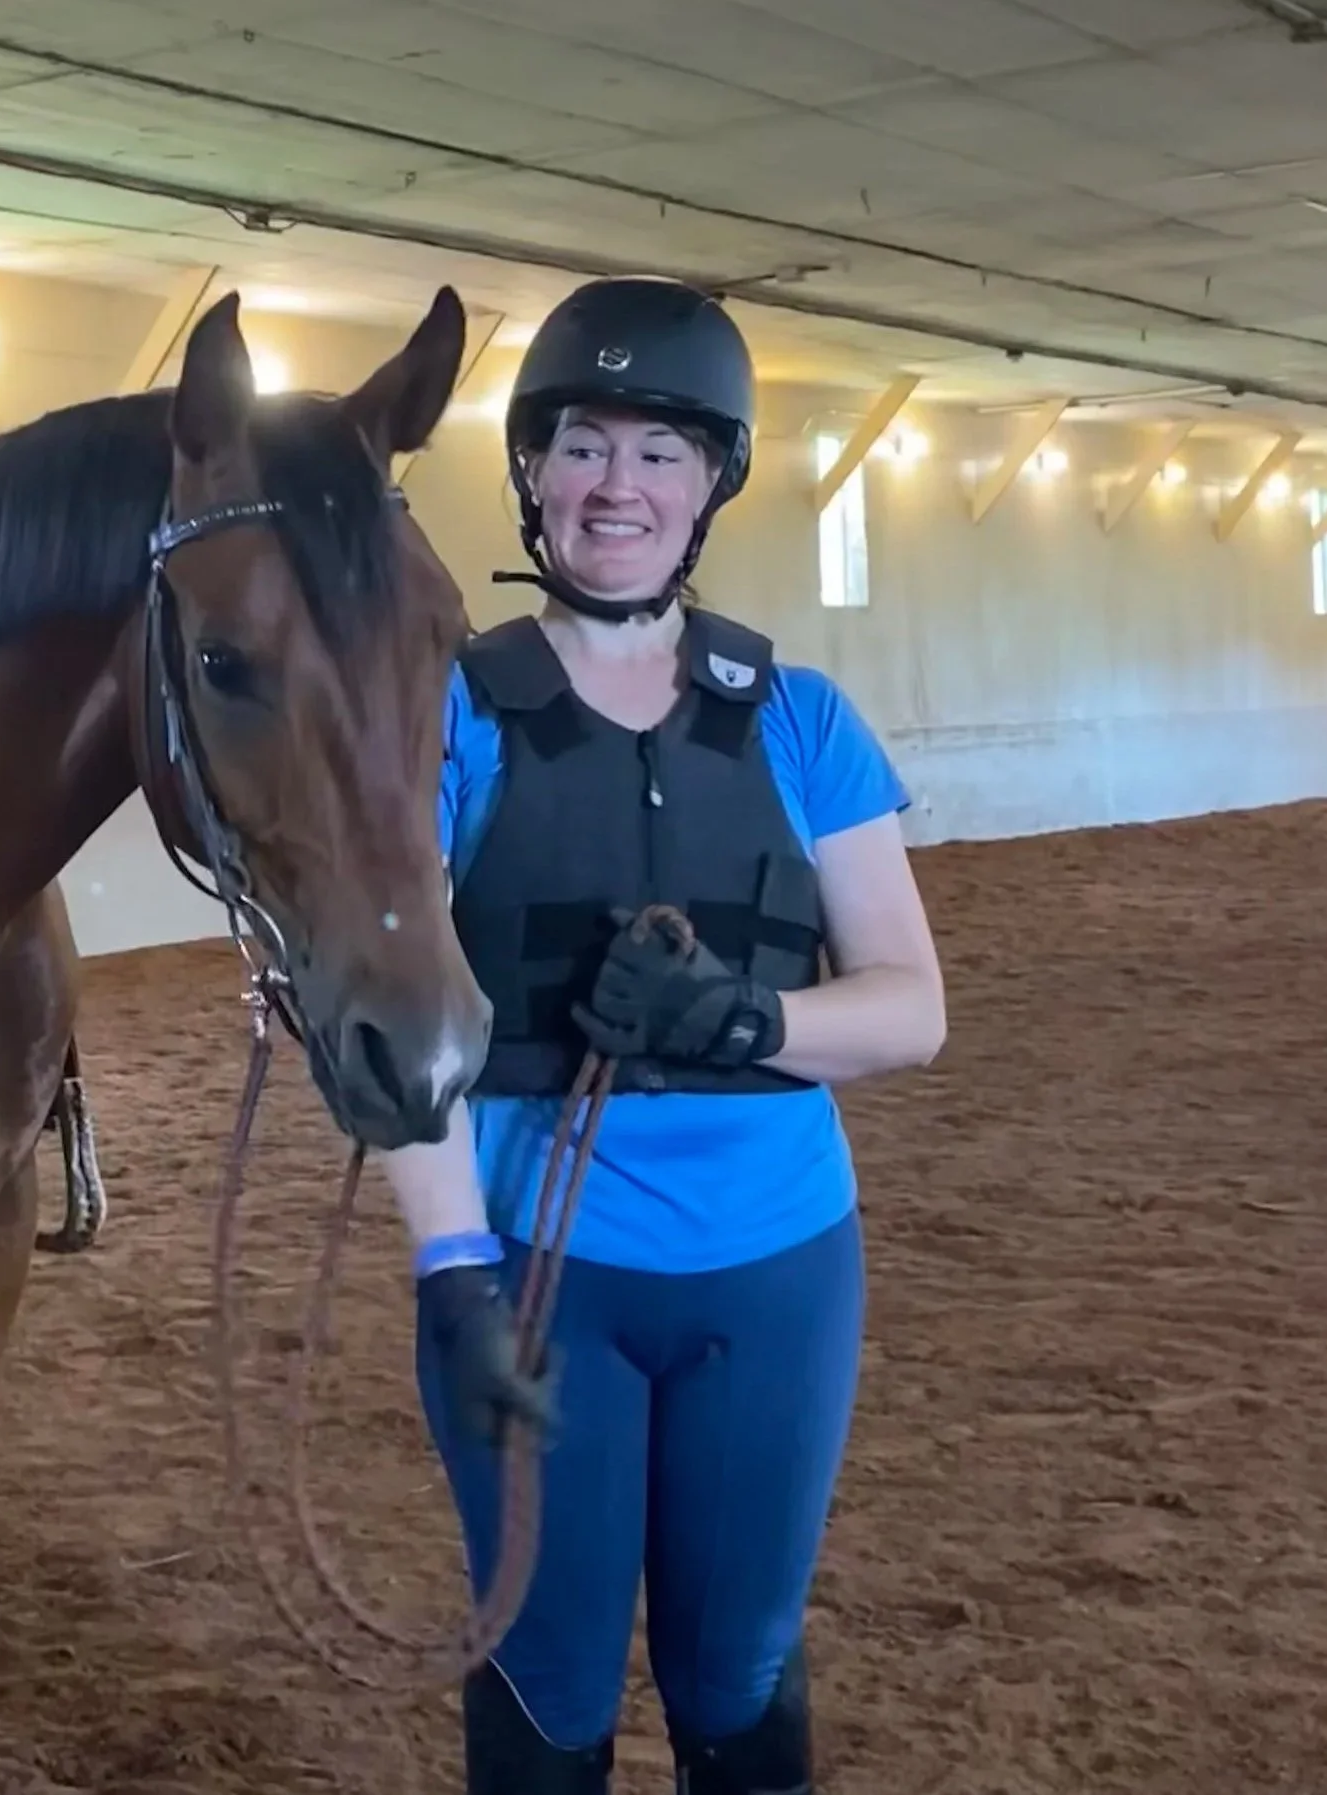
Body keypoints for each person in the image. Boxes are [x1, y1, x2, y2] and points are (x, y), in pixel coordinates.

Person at [381, 276, 949, 1795]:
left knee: (738, 1671)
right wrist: (452, 1277)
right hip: (538, 1277)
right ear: (532, 474)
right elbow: (404, 1031)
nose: (614, 485)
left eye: (657, 452)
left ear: (710, 485)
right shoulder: (448, 718)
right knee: (550, 1680)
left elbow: (911, 1004)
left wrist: (746, 1014)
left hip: (778, 1275)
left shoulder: (803, 719)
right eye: (581, 445)